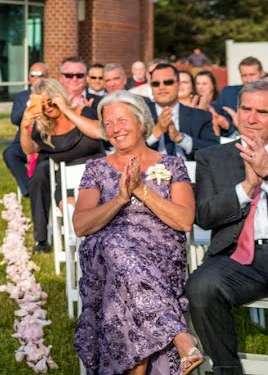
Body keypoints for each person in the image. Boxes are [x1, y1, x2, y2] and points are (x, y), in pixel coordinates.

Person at [74, 91, 202, 375]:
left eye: (122, 120)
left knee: (119, 274)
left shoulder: (171, 165)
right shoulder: (95, 168)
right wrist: (119, 199)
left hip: (159, 257)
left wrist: (140, 190)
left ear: (142, 121)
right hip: (105, 257)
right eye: (108, 124)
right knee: (112, 245)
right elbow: (81, 225)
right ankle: (180, 336)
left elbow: (184, 221)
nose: (115, 128)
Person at [186, 80, 268, 375]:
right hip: (238, 256)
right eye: (246, 108)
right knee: (201, 287)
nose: (252, 118)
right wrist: (247, 187)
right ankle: (227, 370)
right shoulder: (213, 157)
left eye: (263, 111)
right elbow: (204, 216)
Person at [19, 78, 105, 252]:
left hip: (98, 174)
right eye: (42, 105)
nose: (48, 108)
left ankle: (97, 242)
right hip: (67, 181)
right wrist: (24, 127)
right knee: (70, 207)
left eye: (50, 102)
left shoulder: (83, 111)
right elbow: (30, 149)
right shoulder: (44, 128)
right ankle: (82, 247)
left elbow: (98, 132)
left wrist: (67, 110)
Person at [147, 63, 219, 160]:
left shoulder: (201, 116)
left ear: (178, 84)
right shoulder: (139, 115)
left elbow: (215, 151)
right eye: (156, 84)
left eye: (168, 82)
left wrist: (180, 138)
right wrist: (155, 134)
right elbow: (126, 150)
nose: (161, 87)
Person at [3, 63, 49, 197]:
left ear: (47, 77)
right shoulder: (21, 97)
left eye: (41, 75)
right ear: (29, 78)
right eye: (33, 75)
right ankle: (29, 189)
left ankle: (39, 188)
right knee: (9, 153)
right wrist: (29, 105)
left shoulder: (51, 96)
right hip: (24, 140)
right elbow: (14, 119)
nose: (37, 78)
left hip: (45, 141)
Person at [214, 56, 266, 137]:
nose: (248, 80)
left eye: (252, 74)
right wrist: (219, 118)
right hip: (227, 141)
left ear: (261, 73)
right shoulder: (227, 92)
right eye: (244, 75)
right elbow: (212, 111)